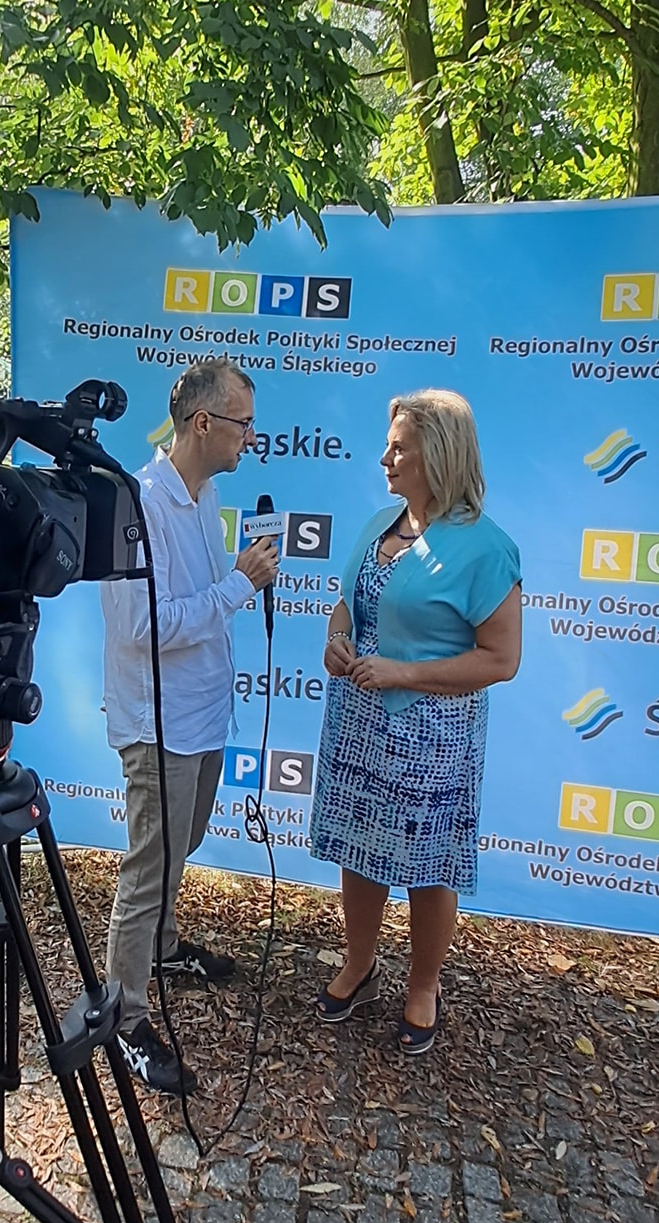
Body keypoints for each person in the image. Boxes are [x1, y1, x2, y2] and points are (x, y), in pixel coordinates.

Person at [309, 389, 521, 1056]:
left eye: (399, 448)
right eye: (388, 445)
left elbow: (501, 659)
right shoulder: (381, 524)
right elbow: (349, 605)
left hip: (433, 737)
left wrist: (402, 672)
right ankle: (359, 963)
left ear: (439, 454)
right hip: (359, 724)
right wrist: (336, 639)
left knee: (429, 867)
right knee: (359, 850)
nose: (385, 458)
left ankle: (424, 986)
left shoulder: (485, 548)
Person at [99, 355, 278, 1095]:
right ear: (203, 423)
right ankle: (124, 1020)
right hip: (158, 723)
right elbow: (139, 626)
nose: (251, 438)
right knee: (150, 869)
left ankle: (164, 947)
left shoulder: (205, 495)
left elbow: (196, 602)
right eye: (243, 424)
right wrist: (239, 585)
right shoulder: (139, 505)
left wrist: (235, 581)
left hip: (203, 713)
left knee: (183, 845)